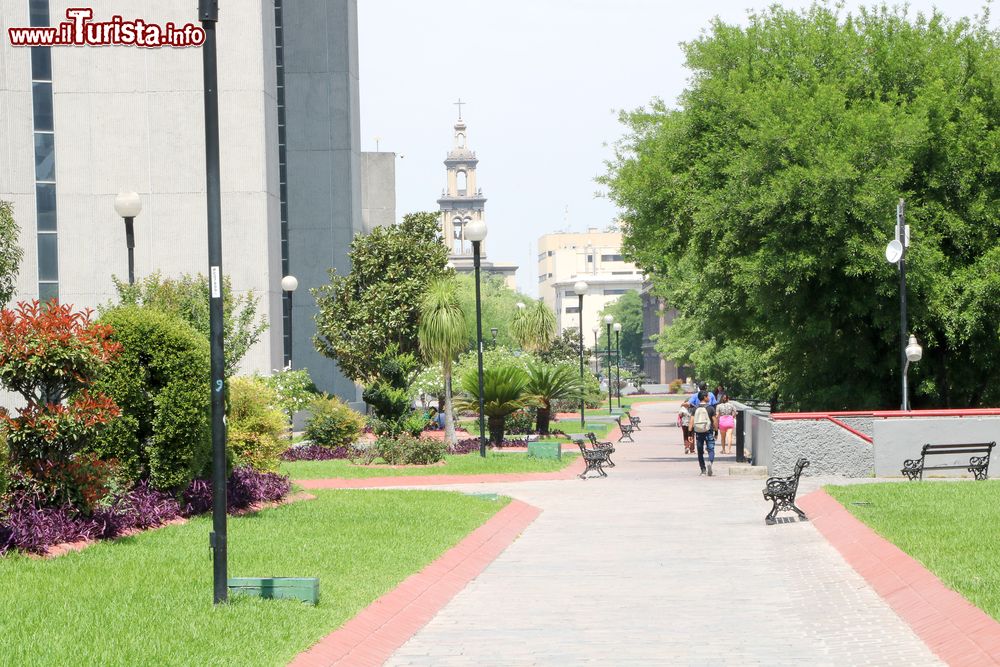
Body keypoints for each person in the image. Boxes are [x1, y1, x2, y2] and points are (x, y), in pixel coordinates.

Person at [691, 390, 718, 476]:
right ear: (705, 397)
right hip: (708, 431)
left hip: (698, 432)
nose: (709, 398)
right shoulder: (710, 408)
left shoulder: (695, 408)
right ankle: (710, 461)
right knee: (711, 449)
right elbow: (715, 421)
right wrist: (716, 432)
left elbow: (691, 422)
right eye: (708, 396)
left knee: (700, 451)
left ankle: (703, 470)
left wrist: (689, 434)